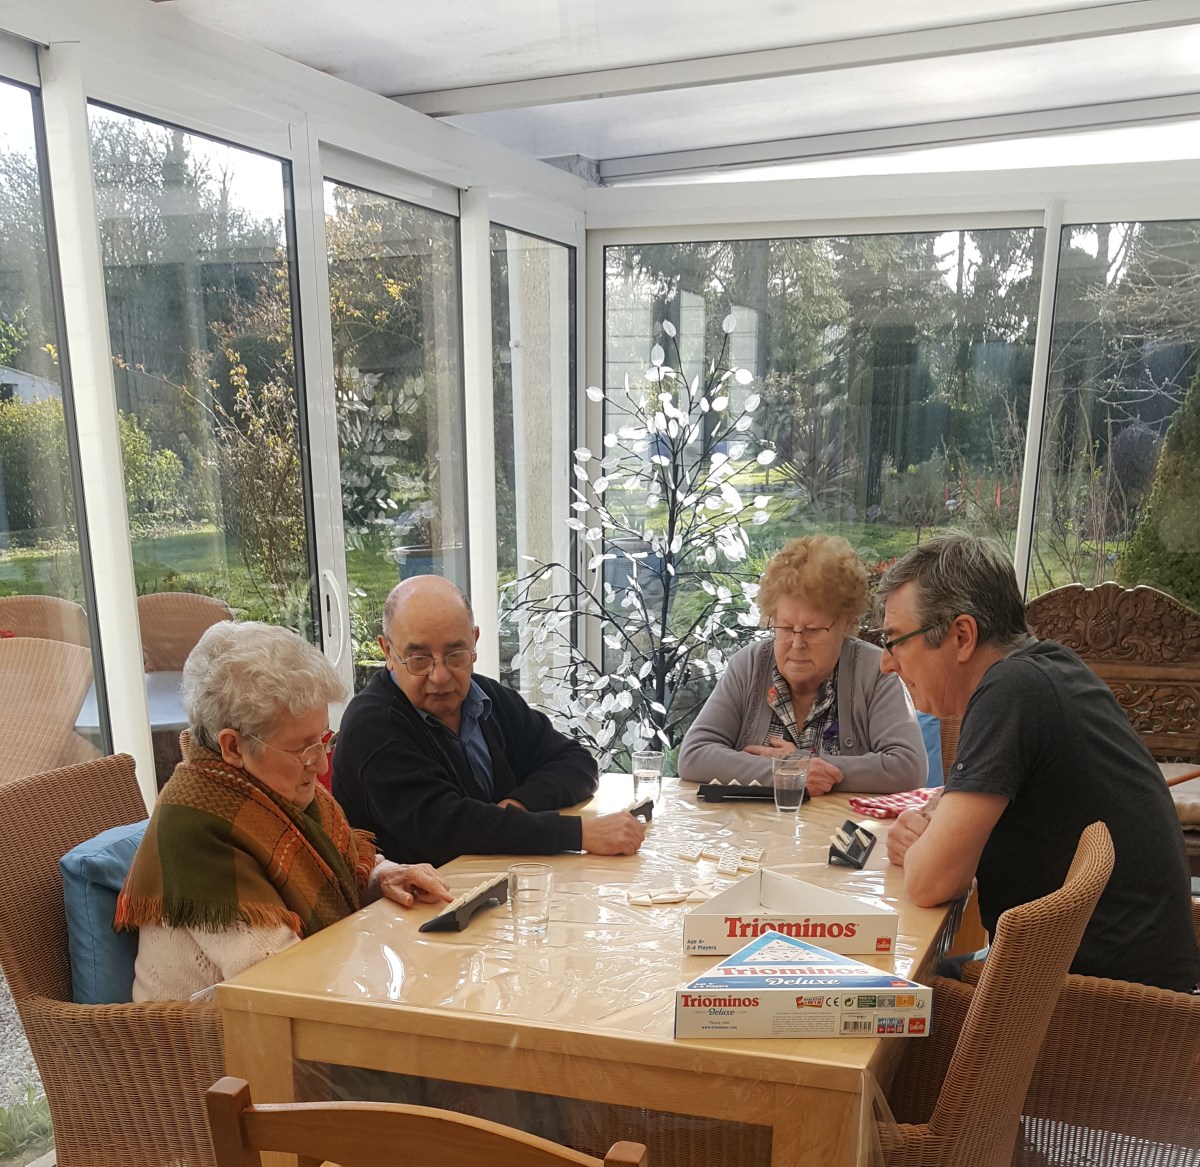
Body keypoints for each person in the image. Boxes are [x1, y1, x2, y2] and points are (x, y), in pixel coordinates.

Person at [879, 532, 1199, 993]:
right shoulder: (1046, 668)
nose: (887, 664)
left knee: (879, 994)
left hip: (1099, 1004)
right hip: (1122, 981)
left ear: (962, 636)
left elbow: (932, 881)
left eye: (895, 641)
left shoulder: (1011, 692)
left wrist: (922, 849)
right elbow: (954, 826)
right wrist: (934, 832)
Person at [116, 621, 452, 1002]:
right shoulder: (197, 829)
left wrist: (382, 876)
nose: (321, 765)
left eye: (324, 739)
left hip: (290, 1007)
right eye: (302, 748)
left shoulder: (273, 787)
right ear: (232, 747)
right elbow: (281, 975)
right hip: (211, 1032)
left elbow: (338, 869)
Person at [333, 576, 646, 866]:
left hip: (494, 883)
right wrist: (578, 834)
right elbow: (448, 828)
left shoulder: (487, 698)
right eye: (419, 659)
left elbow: (577, 763)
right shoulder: (372, 725)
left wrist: (517, 805)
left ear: (474, 642)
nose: (439, 676)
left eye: (455, 654)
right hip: (411, 902)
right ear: (388, 651)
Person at [679, 534, 926, 794]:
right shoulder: (750, 665)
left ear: (845, 624)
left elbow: (908, 768)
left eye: (813, 630)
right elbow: (694, 755)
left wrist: (806, 763)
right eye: (786, 628)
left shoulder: (874, 671)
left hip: (841, 822)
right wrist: (787, 770)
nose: (797, 643)